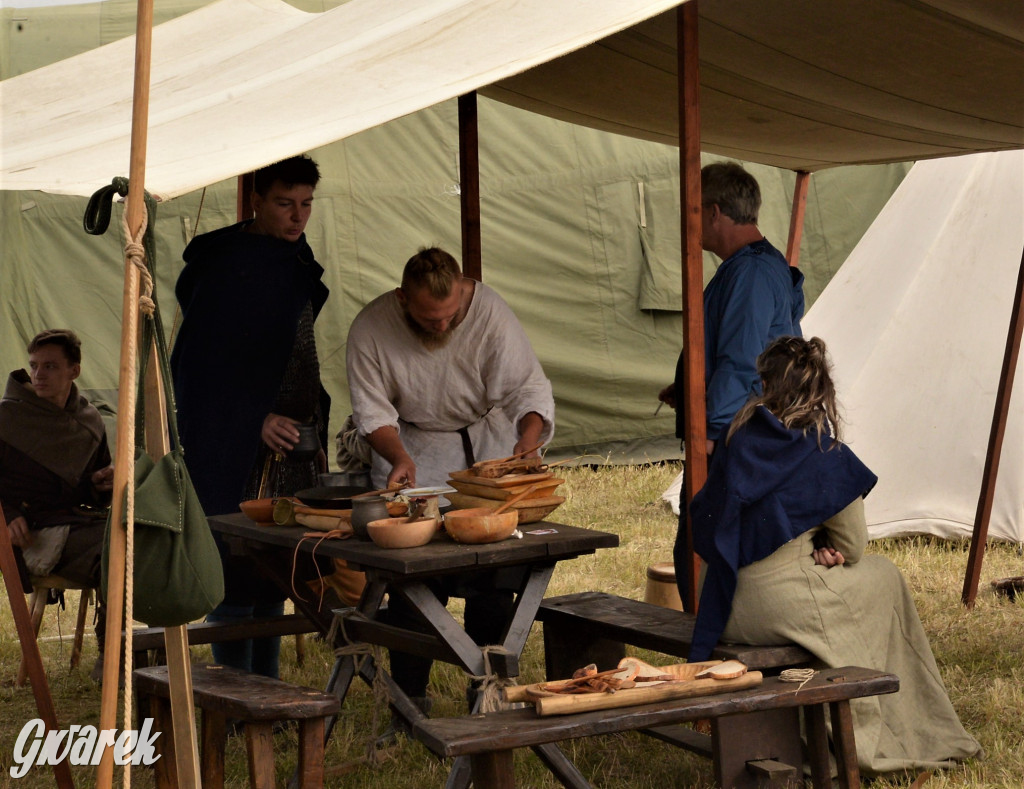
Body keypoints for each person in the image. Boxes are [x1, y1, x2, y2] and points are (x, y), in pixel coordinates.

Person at [688, 335, 982, 773]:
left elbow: (711, 522)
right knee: (884, 576)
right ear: (821, 390)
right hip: (777, 606)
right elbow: (852, 545)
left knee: (863, 581)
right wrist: (829, 548)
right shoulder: (823, 451)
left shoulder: (738, 436)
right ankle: (900, 728)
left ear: (766, 384)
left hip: (721, 603)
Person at [346, 246, 555, 731]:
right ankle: (408, 704)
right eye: (427, 317)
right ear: (402, 299)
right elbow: (372, 410)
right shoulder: (372, 327)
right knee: (413, 584)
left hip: (487, 452)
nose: (441, 326)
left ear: (462, 292)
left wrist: (525, 442)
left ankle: (487, 696)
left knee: (493, 575)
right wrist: (398, 457)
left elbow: (526, 386)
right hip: (411, 451)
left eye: (450, 315)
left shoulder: (489, 313)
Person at [171, 154, 330, 678]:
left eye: (305, 204)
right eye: (285, 204)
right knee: (235, 566)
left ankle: (268, 690)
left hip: (291, 446)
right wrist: (252, 417)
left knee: (276, 572)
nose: (297, 216)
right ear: (255, 201)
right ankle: (236, 695)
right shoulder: (225, 267)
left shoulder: (293, 258)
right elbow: (196, 366)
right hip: (234, 446)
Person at [659, 161, 805, 455]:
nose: (687, 220)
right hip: (748, 424)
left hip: (740, 431)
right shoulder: (758, 263)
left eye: (692, 210)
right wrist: (692, 383)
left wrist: (711, 434)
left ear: (713, 212)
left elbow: (742, 358)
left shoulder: (751, 272)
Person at [0, 330, 114, 680]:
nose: (39, 375)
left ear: (74, 371)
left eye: (50, 366)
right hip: (29, 533)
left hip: (75, 522)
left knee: (135, 539)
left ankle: (129, 649)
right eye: (34, 365)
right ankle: (114, 653)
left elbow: (89, 487)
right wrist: (8, 513)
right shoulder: (7, 419)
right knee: (113, 550)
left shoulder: (88, 421)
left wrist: (100, 485)